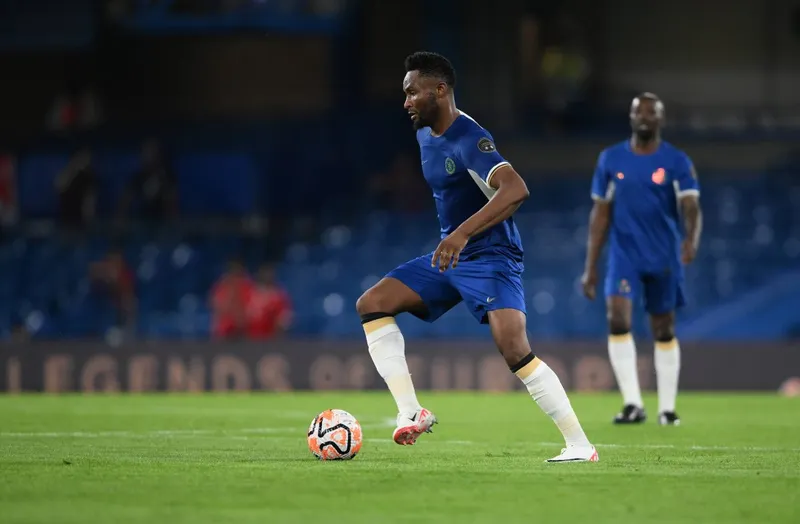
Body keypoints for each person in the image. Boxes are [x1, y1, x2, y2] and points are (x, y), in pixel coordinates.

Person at [356, 51, 598, 462]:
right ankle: (411, 411)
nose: (406, 101)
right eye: (405, 93)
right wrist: (455, 239)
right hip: (452, 256)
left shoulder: (470, 138)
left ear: (440, 90)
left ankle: (580, 445)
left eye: (412, 92)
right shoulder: (424, 135)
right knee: (373, 303)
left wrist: (462, 234)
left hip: (491, 255)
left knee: (514, 350)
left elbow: (516, 189)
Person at [581, 93, 702, 426]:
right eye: (638, 112)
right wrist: (590, 267)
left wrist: (691, 240)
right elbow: (600, 214)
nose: (644, 117)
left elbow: (691, 206)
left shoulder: (676, 161)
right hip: (624, 255)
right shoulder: (610, 159)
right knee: (617, 319)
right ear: (631, 117)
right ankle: (633, 404)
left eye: (650, 112)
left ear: (660, 118)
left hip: (663, 255)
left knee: (663, 327)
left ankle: (667, 408)